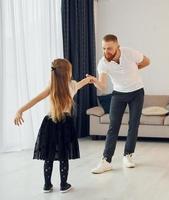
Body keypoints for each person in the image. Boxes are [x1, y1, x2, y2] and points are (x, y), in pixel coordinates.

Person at [14, 58, 92, 193]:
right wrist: (89, 79)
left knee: (49, 155)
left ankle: (47, 185)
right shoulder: (72, 85)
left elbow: (35, 99)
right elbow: (80, 84)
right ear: (68, 73)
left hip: (50, 122)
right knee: (63, 155)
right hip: (65, 123)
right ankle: (63, 185)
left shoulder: (52, 86)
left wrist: (20, 110)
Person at [88, 34, 150, 174]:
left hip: (136, 92)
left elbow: (147, 61)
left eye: (109, 48)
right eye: (104, 48)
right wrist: (95, 81)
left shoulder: (130, 53)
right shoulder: (103, 63)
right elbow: (103, 86)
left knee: (133, 124)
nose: (106, 52)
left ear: (118, 46)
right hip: (118, 93)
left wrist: (133, 70)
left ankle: (128, 155)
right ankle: (106, 161)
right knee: (113, 127)